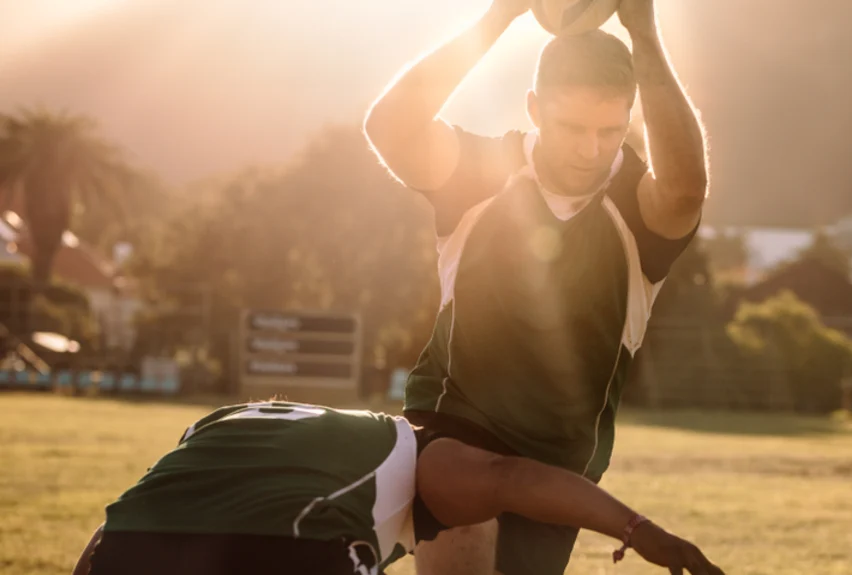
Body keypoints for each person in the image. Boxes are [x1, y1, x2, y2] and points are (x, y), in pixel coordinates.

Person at [362, 0, 708, 572]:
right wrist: (500, 16)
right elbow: (387, 129)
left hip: (562, 459)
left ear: (630, 120)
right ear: (534, 109)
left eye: (610, 129)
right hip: (456, 427)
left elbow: (687, 190)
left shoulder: (640, 212)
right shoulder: (479, 172)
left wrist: (643, 31)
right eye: (572, 127)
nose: (591, 148)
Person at [71, 401, 724, 575]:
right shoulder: (405, 446)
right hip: (297, 544)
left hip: (124, 547)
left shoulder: (222, 424)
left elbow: (118, 524)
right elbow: (510, 478)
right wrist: (639, 530)